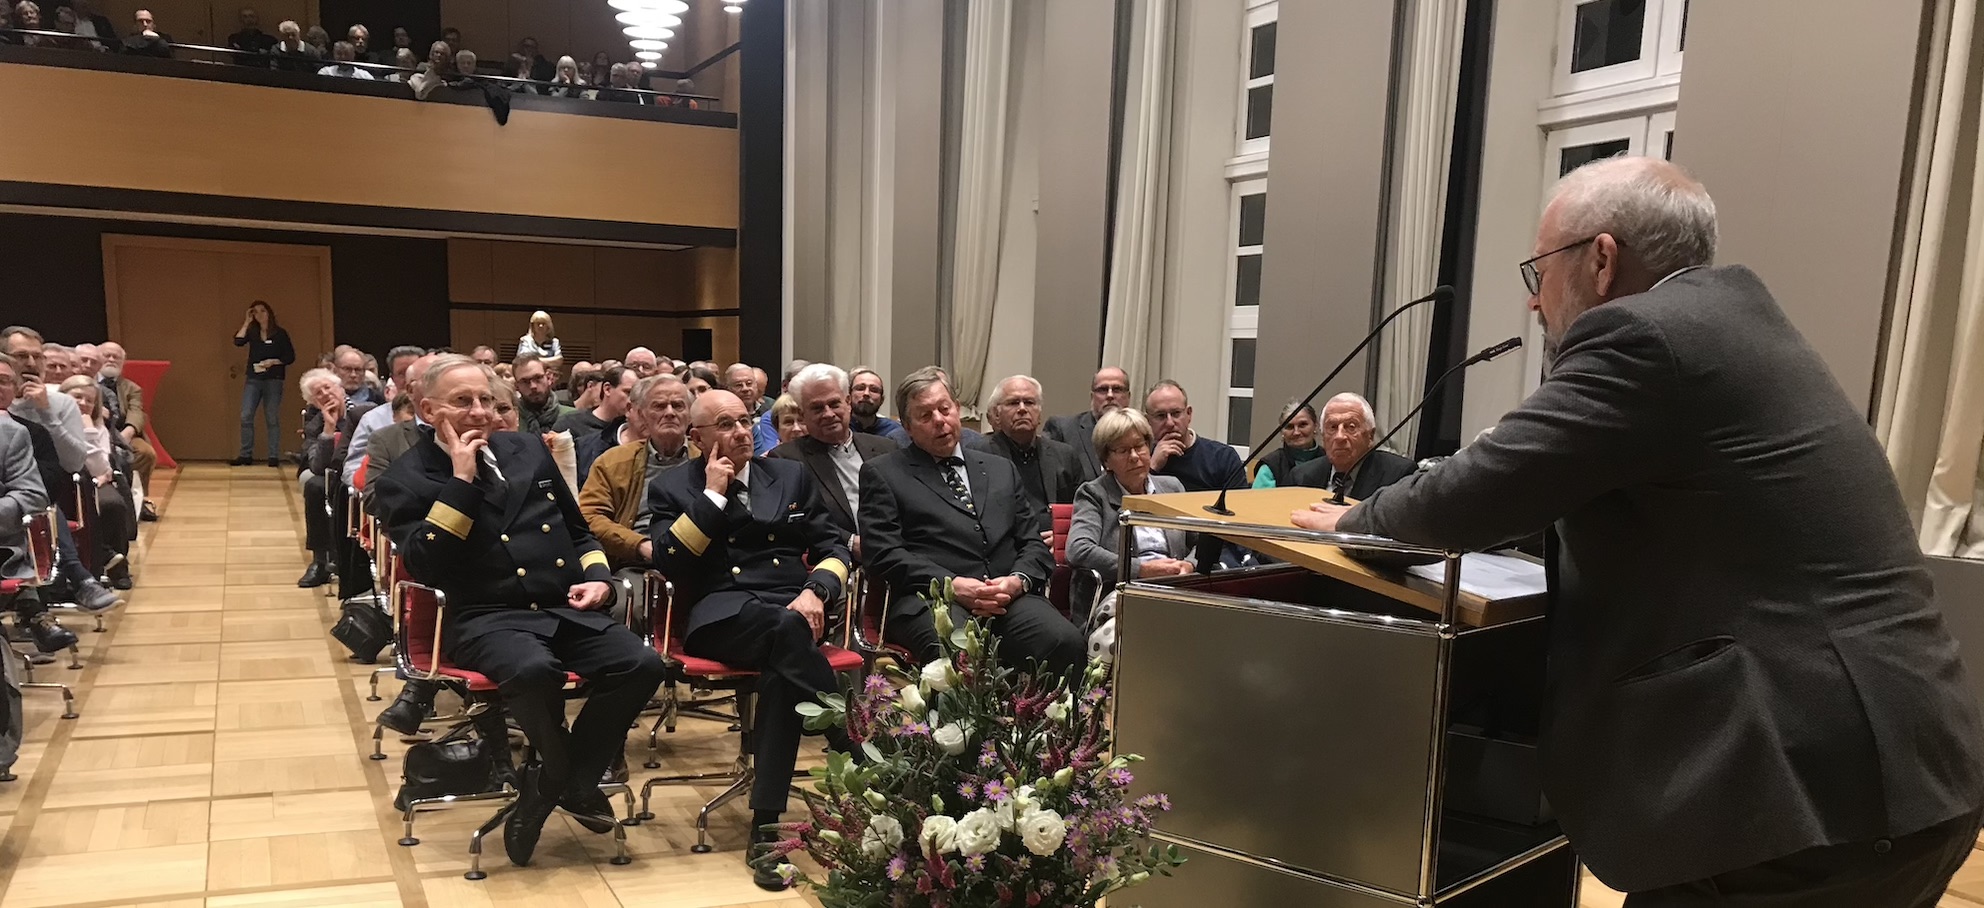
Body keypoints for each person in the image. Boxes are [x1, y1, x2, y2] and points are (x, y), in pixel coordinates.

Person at [1295, 156, 1984, 907]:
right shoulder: (1729, 323)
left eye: (1539, 272)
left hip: (1805, 803)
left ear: (1599, 259)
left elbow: (1466, 500)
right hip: (1896, 772)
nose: (1534, 305)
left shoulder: (1643, 338)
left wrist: (1356, 516)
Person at [372, 355, 663, 867]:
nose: (481, 411)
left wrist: (597, 577)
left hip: (559, 605)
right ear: (427, 409)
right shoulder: (407, 476)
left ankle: (555, 780)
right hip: (484, 614)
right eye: (463, 402)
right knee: (533, 670)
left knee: (642, 663)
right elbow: (425, 562)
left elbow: (576, 530)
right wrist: (460, 482)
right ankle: (558, 775)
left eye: (486, 399)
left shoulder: (524, 447)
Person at [647, 387, 857, 890]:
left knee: (784, 670)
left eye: (745, 420)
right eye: (724, 424)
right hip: (723, 616)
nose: (741, 431)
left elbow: (833, 546)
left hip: (794, 610)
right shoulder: (674, 487)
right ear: (697, 437)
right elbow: (670, 563)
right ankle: (847, 738)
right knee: (787, 636)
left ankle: (766, 827)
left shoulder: (788, 474)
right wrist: (713, 497)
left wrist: (816, 591)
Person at [857, 367, 1084, 677]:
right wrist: (954, 586)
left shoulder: (999, 468)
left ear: (957, 410)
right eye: (925, 415)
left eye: (944, 408)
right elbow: (883, 554)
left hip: (1007, 596)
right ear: (907, 427)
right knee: (958, 654)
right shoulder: (883, 473)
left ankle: (1040, 725)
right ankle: (954, 728)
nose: (939, 419)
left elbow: (1032, 542)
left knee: (1065, 641)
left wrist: (1016, 581)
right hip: (932, 599)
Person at [1066, 407, 1194, 661]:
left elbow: (1200, 541)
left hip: (1175, 590)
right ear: (1106, 460)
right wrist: (1141, 569)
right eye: (1123, 451)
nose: (1135, 456)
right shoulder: (1094, 494)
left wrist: (1190, 565)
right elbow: (1078, 549)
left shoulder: (1172, 487)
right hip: (1121, 597)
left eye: (1140, 446)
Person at [769, 364, 897, 555]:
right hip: (833, 559)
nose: (828, 414)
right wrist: (851, 542)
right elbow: (796, 518)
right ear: (803, 414)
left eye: (834, 404)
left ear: (848, 403)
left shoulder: (886, 448)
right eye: (817, 408)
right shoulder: (786, 459)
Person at [578, 374, 693, 570]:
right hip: (634, 563)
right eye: (659, 406)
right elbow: (589, 516)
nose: (670, 412)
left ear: (691, 415)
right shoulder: (612, 461)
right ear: (642, 415)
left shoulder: (708, 461)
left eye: (678, 405)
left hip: (697, 563)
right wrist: (639, 545)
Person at [965, 375, 1092, 517]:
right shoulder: (977, 453)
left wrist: (1061, 532)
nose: (1022, 409)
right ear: (997, 415)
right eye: (1013, 403)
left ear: (1039, 414)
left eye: (1029, 402)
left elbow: (1083, 509)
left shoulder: (1065, 455)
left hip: (1055, 536)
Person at [57, 376, 134, 590]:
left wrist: (89, 430)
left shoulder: (97, 425)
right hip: (65, 483)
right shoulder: (52, 423)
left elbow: (100, 464)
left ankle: (119, 567)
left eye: (89, 400)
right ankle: (101, 556)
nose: (83, 403)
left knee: (112, 504)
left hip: (94, 480)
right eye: (76, 397)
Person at [1284, 392, 1417, 499]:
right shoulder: (1300, 477)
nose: (1340, 436)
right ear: (1323, 436)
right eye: (1332, 427)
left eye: (1351, 427)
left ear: (1370, 436)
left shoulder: (1399, 475)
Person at [1142, 380, 1244, 492]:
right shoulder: (1138, 456)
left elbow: (1240, 505)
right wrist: (1153, 467)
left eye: (1176, 413)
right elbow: (1131, 504)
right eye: (1160, 416)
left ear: (1189, 414)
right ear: (1148, 421)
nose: (1170, 423)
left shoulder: (1222, 457)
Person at [94, 342, 156, 520]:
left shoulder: (131, 387)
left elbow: (137, 411)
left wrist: (127, 433)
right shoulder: (86, 381)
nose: (112, 359)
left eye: (117, 357)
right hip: (95, 432)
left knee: (145, 453)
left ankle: (139, 501)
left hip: (121, 432)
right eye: (107, 355)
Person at [231, 301, 294, 467]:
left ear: (269, 313)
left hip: (274, 379)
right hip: (254, 378)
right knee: (246, 415)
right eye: (255, 312)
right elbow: (238, 341)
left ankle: (273, 456)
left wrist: (274, 361)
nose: (259, 314)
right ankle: (245, 455)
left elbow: (290, 356)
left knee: (271, 417)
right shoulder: (252, 332)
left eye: (262, 311)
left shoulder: (280, 334)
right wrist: (246, 321)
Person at [1046, 366, 1130, 478]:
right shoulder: (1063, 430)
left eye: (1117, 389)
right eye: (1103, 389)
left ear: (1128, 397)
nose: (1110, 395)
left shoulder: (1142, 433)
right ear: (1092, 397)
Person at [1250, 400, 1323, 489]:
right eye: (1289, 427)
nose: (1296, 432)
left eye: (1303, 425)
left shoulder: (1331, 459)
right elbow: (1259, 501)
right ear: (1282, 432)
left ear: (1315, 426)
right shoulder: (1271, 466)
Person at [512, 353, 574, 434]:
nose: (533, 386)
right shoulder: (511, 421)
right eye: (525, 381)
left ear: (549, 378)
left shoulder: (573, 416)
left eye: (538, 378)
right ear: (517, 387)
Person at [845, 367, 908, 446]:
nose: (866, 394)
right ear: (849, 396)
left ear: (882, 400)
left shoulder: (894, 431)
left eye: (874, 390)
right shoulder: (840, 428)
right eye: (860, 388)